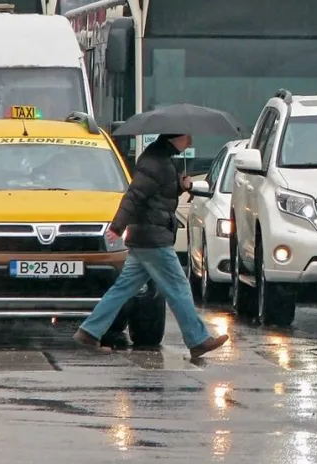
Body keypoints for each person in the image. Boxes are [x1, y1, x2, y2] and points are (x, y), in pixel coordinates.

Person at [73, 133, 229, 358]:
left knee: (123, 289)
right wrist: (117, 226)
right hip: (152, 237)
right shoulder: (155, 162)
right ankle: (198, 340)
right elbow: (134, 196)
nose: (190, 143)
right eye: (187, 138)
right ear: (174, 138)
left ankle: (88, 332)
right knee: (179, 287)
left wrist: (182, 186)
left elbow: (156, 194)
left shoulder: (160, 160)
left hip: (146, 236)